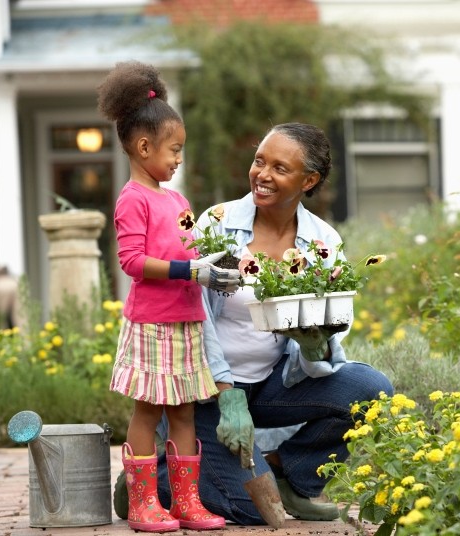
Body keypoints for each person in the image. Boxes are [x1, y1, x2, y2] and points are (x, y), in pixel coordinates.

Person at [110, 122, 390, 525]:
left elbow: (329, 330)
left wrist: (316, 346)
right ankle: (154, 479)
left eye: (280, 167)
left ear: (308, 180)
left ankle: (292, 478)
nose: (262, 174)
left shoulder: (321, 243)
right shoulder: (218, 225)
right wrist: (225, 389)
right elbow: (194, 311)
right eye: (259, 161)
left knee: (371, 390)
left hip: (276, 383)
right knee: (248, 511)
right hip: (207, 392)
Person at [97, 60, 240, 533]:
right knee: (148, 409)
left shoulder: (177, 202)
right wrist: (189, 268)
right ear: (143, 146)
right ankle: (142, 504)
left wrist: (217, 262)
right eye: (174, 149)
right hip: (153, 323)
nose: (179, 158)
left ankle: (186, 503)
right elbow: (133, 262)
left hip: (186, 319)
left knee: (183, 411)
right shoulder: (132, 199)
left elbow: (191, 247)